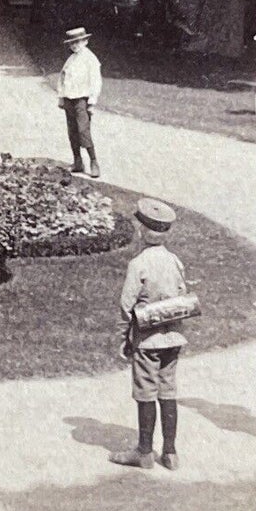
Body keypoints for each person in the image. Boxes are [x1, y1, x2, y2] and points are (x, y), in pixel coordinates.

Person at [110, 199, 188, 472]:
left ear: (142, 230)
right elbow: (181, 295)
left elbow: (126, 305)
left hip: (147, 340)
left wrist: (123, 337)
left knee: (145, 392)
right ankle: (170, 452)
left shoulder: (138, 264)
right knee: (168, 391)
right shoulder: (175, 261)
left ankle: (144, 452)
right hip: (173, 337)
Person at [57, 26, 102, 178]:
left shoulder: (90, 59)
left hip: (82, 99)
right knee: (72, 130)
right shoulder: (71, 59)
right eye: (72, 43)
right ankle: (77, 161)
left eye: (77, 42)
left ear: (85, 41)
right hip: (69, 98)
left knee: (83, 130)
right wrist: (61, 97)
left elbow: (96, 80)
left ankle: (94, 161)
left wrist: (92, 101)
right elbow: (62, 78)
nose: (74, 45)